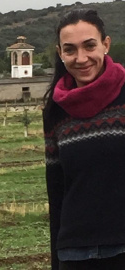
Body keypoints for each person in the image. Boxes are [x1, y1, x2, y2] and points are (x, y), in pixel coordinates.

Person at [43, 8, 125, 270]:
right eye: (70, 49)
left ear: (105, 45)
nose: (81, 58)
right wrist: (57, 260)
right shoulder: (55, 110)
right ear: (60, 53)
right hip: (75, 253)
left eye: (89, 46)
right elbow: (56, 191)